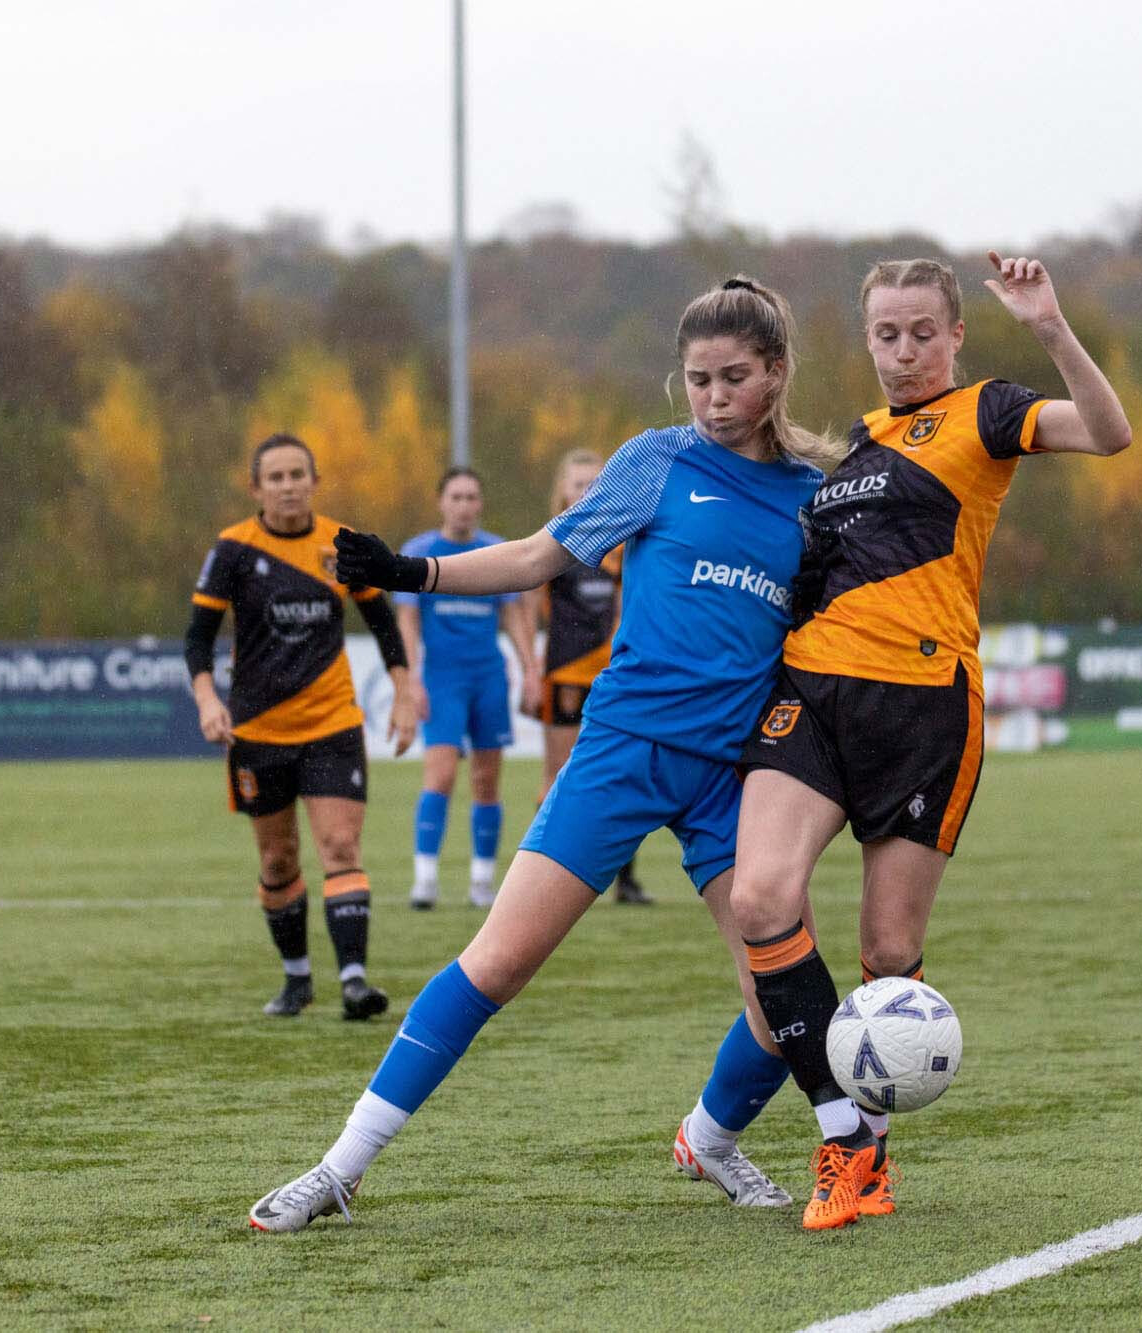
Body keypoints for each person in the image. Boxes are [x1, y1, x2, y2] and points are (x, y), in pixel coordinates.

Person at [248, 276, 830, 1233]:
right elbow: (534, 556)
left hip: (737, 777)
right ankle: (340, 1168)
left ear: (776, 373)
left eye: (735, 377)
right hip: (622, 750)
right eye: (697, 379)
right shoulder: (656, 461)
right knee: (499, 960)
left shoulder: (814, 494)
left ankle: (712, 1138)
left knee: (780, 997)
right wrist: (413, 571)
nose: (714, 397)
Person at [723, 252, 1133, 1229]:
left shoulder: (985, 411)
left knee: (887, 947)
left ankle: (864, 1155)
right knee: (758, 897)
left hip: (922, 710)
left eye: (920, 333)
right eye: (884, 334)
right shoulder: (853, 443)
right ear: (864, 338)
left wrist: (1047, 326)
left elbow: (1109, 434)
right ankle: (842, 1139)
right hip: (810, 696)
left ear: (953, 334)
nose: (902, 350)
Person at [186, 434, 421, 1022]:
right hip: (259, 732)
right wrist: (206, 700)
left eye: (298, 475)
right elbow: (197, 638)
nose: (288, 485)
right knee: (278, 861)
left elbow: (382, 622)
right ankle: (296, 980)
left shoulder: (341, 545)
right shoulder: (233, 549)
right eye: (276, 477)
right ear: (256, 488)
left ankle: (354, 982)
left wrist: (403, 692)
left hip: (332, 723)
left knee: (340, 846)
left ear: (314, 481)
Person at [395, 468, 541, 909]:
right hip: (442, 679)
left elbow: (514, 616)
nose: (464, 504)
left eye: (472, 497)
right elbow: (406, 619)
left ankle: (481, 882)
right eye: (456, 496)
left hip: (488, 678)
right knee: (439, 774)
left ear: (481, 503)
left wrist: (530, 668)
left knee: (486, 780)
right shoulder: (419, 553)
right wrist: (410, 678)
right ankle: (425, 879)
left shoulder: (496, 551)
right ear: (441, 501)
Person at [533, 449, 648, 905]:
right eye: (577, 483)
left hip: (614, 675)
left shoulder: (624, 545)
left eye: (594, 481)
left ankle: (626, 880)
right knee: (558, 777)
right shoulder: (552, 544)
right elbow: (528, 607)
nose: (586, 490)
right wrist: (527, 666)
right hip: (563, 673)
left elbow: (629, 605)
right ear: (562, 491)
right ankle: (542, 879)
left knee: (620, 774)